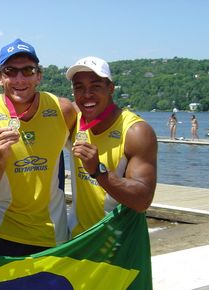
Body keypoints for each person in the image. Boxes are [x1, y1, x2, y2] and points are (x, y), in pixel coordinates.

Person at [0, 38, 77, 256]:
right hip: (2, 232)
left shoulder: (63, 109)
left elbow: (95, 148)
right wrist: (1, 155)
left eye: (28, 70)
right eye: (10, 71)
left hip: (53, 233)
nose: (19, 79)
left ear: (39, 75)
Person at [66, 56, 157, 237]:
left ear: (111, 88)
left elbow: (142, 200)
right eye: (79, 88)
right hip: (77, 238)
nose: (87, 94)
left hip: (117, 242)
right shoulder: (71, 120)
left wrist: (99, 172)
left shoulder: (136, 132)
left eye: (95, 86)